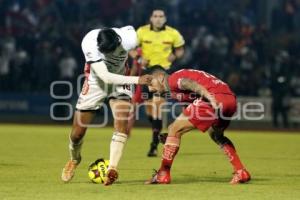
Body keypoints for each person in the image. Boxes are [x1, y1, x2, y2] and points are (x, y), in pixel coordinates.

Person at [61, 26, 152, 186]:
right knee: (77, 133)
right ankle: (74, 159)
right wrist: (138, 80)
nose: (107, 55)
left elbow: (137, 37)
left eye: (110, 52)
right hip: (97, 83)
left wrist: (138, 57)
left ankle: (112, 169)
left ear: (118, 42)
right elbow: (106, 77)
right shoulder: (89, 43)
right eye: (104, 52)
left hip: (122, 81)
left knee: (121, 123)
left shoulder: (130, 38)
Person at [145, 67, 251, 184]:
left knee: (174, 130)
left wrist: (210, 97)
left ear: (160, 77)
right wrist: (172, 135)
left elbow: (189, 83)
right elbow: (188, 112)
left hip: (212, 97)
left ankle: (163, 175)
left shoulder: (172, 80)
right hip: (229, 99)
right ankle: (241, 171)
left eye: (150, 83)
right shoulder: (174, 92)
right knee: (217, 136)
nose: (150, 89)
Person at [130, 9, 185, 157]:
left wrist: (174, 56)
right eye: (155, 16)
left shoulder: (173, 33)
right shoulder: (141, 32)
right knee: (150, 110)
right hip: (146, 74)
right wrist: (139, 59)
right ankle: (156, 132)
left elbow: (180, 50)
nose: (158, 19)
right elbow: (131, 50)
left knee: (157, 107)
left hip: (163, 74)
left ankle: (153, 145)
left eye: (161, 16)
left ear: (165, 18)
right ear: (151, 18)